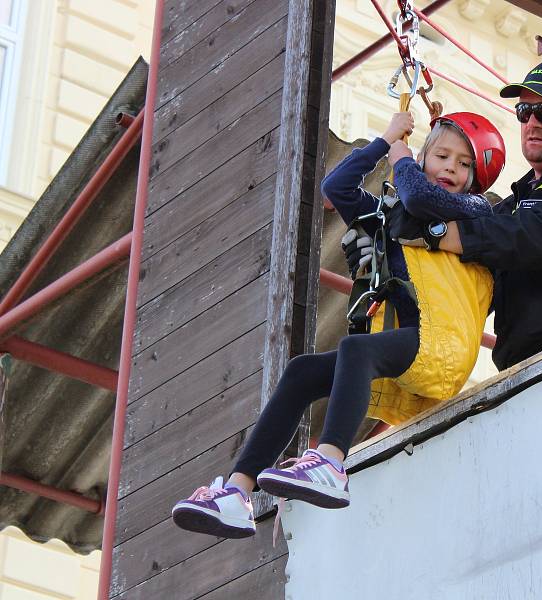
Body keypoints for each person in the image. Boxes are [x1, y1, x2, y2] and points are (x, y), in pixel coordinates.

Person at [170, 110, 505, 539]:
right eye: (442, 156)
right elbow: (336, 188)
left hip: (444, 346)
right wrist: (385, 140)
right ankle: (237, 492)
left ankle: (329, 462)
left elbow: (420, 199)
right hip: (408, 344)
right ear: (426, 156)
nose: (451, 169)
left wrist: (401, 157)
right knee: (303, 372)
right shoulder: (392, 215)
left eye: (463, 165)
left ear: (476, 181)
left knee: (355, 349)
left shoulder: (474, 211)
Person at [362, 59, 542, 371]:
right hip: (519, 368)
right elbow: (414, 220)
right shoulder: (514, 203)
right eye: (524, 112)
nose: (533, 122)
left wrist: (437, 233)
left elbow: (539, 236)